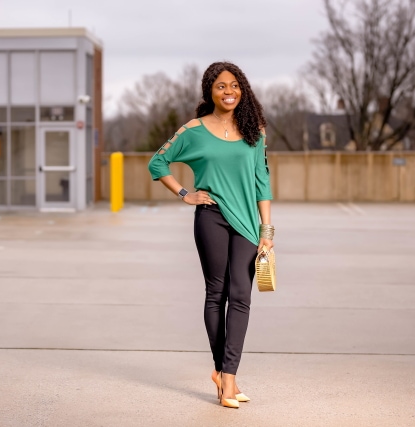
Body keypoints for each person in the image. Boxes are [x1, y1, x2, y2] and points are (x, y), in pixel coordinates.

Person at [148, 61, 275, 409]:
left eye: (234, 85)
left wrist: (267, 230)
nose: (229, 91)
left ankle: (226, 374)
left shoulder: (255, 130)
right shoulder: (194, 130)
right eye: (221, 86)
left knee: (242, 296)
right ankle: (226, 378)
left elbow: (262, 181)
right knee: (216, 293)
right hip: (211, 218)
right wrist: (184, 193)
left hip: (248, 222)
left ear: (242, 89)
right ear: (210, 91)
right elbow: (157, 163)